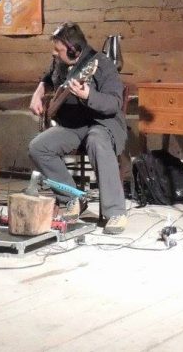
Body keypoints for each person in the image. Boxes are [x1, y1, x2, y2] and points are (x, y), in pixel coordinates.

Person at [28, 22, 128, 234]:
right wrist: (38, 93)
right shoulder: (61, 63)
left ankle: (115, 212)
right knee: (38, 147)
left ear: (74, 50)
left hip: (102, 123)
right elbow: (48, 78)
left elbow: (114, 103)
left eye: (58, 50)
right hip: (73, 124)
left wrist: (88, 95)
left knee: (96, 141)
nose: (54, 53)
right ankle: (72, 197)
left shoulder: (102, 64)